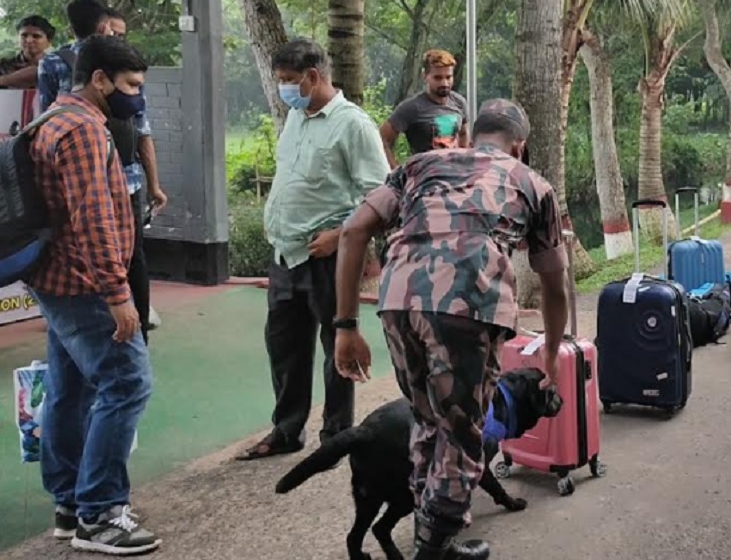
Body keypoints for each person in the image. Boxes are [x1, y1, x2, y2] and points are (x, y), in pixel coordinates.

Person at [332, 98, 571, 559]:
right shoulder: (533, 183)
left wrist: (345, 326)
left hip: (398, 299)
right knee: (462, 435)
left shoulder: (419, 166)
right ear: (519, 146)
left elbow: (352, 232)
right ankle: (433, 551)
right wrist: (551, 349)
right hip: (469, 304)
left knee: (428, 421)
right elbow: (554, 280)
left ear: (469, 135)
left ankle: (434, 537)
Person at [26, 35, 159, 554]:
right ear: (99, 79)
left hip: (55, 281)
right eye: (130, 86)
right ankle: (101, 513)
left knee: (70, 388)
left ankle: (68, 503)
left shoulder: (51, 117)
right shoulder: (83, 130)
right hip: (84, 285)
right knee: (127, 383)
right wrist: (117, 293)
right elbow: (95, 220)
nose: (136, 97)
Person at [237, 39, 389, 461]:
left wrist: (340, 235)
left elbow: (380, 197)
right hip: (285, 253)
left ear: (313, 77)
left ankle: (337, 435)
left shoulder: (353, 124)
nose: (284, 88)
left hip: (328, 257)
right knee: (284, 345)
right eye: (280, 80)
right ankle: (287, 430)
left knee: (336, 343)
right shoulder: (296, 118)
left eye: (289, 80)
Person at [98, 8, 167, 339]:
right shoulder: (81, 130)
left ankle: (139, 322)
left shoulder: (128, 96)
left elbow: (143, 134)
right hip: (104, 197)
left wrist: (154, 184)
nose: (136, 93)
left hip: (130, 187)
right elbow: (91, 229)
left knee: (133, 253)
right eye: (115, 34)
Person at [380, 49, 469, 168]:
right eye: (438, 78)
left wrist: (464, 163)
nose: (445, 83)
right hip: (424, 178)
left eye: (448, 77)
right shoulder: (411, 107)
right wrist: (396, 172)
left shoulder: (459, 102)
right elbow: (382, 139)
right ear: (425, 76)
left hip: (454, 176)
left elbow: (464, 133)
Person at [38, 0, 112, 112]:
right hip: (110, 129)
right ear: (102, 28)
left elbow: (46, 110)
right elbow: (139, 117)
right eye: (110, 27)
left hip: (67, 128)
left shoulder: (51, 62)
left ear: (71, 30)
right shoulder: (120, 58)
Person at [0, 15, 56, 89]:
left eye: (36, 36)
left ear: (49, 41)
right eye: (24, 35)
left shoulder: (57, 67)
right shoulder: (3, 67)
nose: (29, 40)